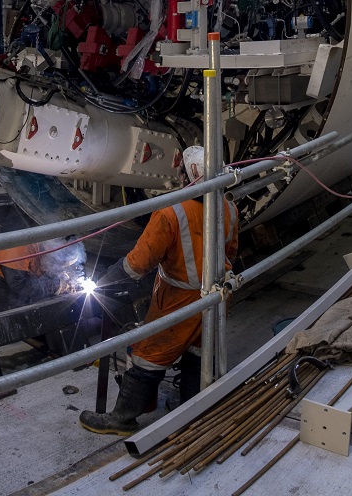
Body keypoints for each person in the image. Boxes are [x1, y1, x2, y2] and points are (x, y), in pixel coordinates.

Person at [80, 146, 238, 435]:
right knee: (199, 355)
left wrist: (105, 279)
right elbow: (231, 251)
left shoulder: (170, 212)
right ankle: (194, 409)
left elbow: (138, 263)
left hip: (180, 302)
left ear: (188, 176)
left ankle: (122, 419)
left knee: (146, 355)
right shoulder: (229, 207)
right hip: (217, 297)